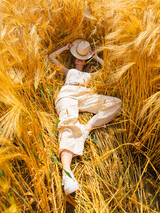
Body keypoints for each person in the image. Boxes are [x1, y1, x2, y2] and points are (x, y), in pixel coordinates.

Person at [49, 39, 122, 195]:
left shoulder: (89, 75)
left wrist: (95, 57)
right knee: (68, 124)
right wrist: (64, 47)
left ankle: (86, 129)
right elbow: (51, 57)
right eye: (77, 56)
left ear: (86, 60)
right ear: (74, 58)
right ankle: (67, 174)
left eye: (83, 57)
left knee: (116, 103)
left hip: (84, 95)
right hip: (68, 93)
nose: (79, 59)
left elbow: (107, 68)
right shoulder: (68, 71)